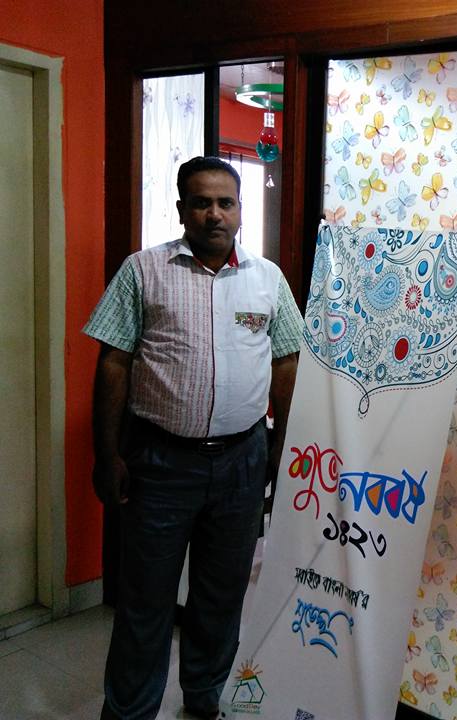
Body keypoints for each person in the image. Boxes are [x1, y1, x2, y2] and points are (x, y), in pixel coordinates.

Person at [84, 156, 302, 720]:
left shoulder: (267, 279)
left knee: (221, 594)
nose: (214, 214)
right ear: (182, 209)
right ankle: (130, 711)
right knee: (145, 599)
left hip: (242, 461)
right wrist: (107, 455)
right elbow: (113, 363)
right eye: (201, 203)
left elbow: (286, 362)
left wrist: (281, 447)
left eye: (225, 203)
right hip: (160, 462)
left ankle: (205, 698)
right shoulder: (143, 271)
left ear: (240, 210)